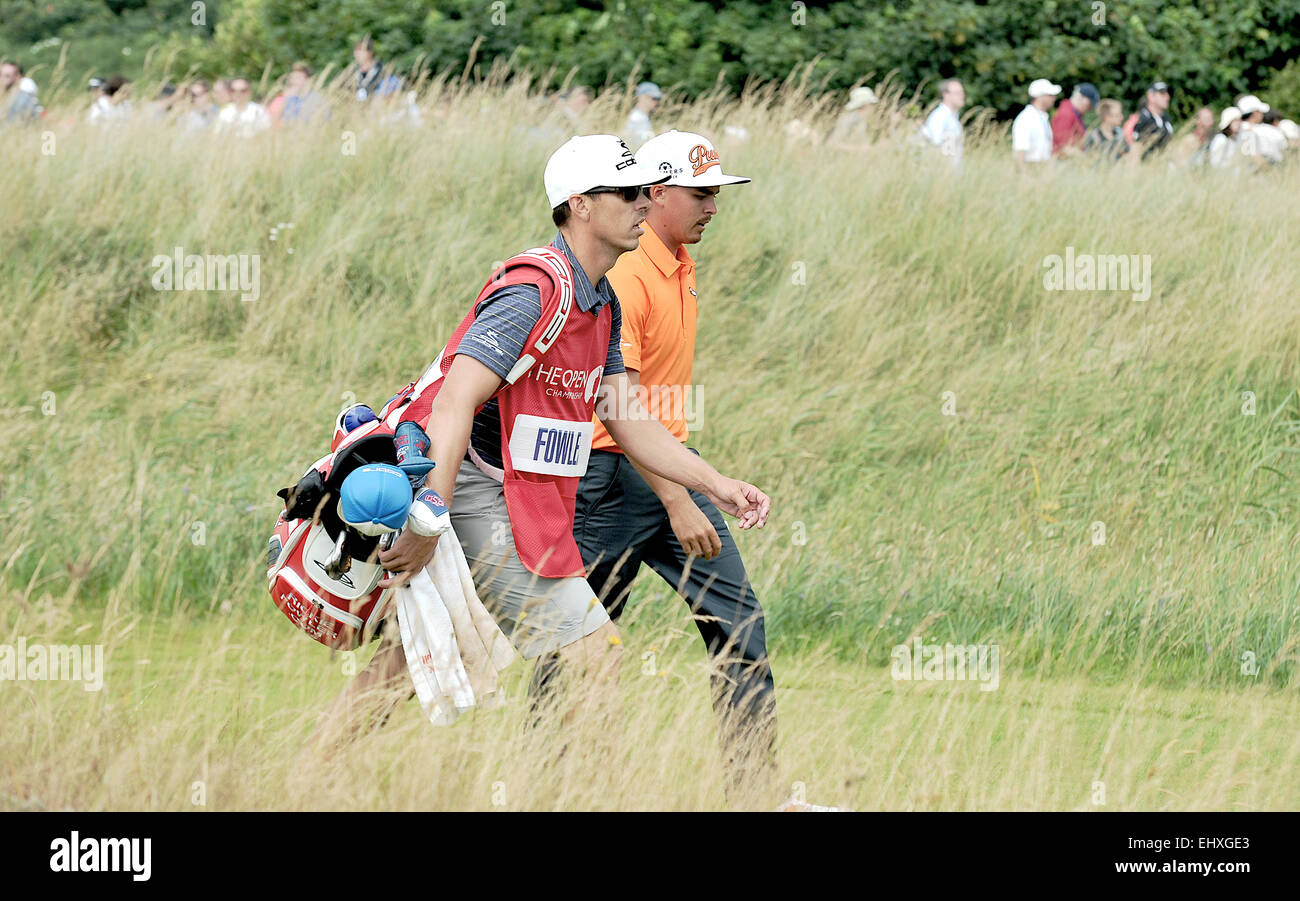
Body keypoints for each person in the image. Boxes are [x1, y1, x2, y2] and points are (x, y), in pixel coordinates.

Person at [318, 135, 771, 753]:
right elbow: (454, 401)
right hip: (468, 489)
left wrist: (715, 484)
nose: (644, 203)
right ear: (580, 205)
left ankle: (304, 775)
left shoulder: (601, 300)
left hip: (514, 498)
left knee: (424, 651)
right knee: (594, 655)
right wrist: (429, 519)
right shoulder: (536, 291)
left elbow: (627, 419)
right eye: (630, 191)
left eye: (647, 191)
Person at [523, 129, 778, 802]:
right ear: (655, 192)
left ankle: (751, 790)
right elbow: (620, 409)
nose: (713, 207)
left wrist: (695, 482)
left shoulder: (679, 263)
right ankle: (544, 783)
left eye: (717, 193)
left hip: (668, 468)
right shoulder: (630, 275)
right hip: (609, 484)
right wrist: (679, 498)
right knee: (574, 645)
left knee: (739, 624)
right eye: (700, 194)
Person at [1012, 78, 1059, 166]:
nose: (1054, 98)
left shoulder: (1042, 118)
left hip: (1041, 168)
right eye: (1050, 95)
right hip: (1031, 168)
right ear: (1039, 97)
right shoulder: (1026, 118)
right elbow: (1020, 150)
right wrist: (1024, 175)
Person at [918, 78, 965, 168]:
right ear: (945, 95)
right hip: (943, 172)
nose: (962, 96)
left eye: (962, 92)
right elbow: (936, 145)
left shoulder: (953, 117)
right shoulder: (939, 116)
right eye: (957, 93)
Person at [1050, 83, 1099, 156]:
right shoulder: (1066, 114)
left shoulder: (1074, 114)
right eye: (1089, 104)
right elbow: (1063, 147)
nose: (1090, 108)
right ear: (1081, 97)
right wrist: (1086, 159)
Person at [828, 86, 878, 151]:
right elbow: (832, 144)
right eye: (872, 104)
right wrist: (859, 149)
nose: (873, 107)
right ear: (865, 104)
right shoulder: (849, 120)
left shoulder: (861, 121)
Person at [1132, 81, 1174, 159]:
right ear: (1150, 96)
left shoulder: (1166, 118)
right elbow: (1136, 149)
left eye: (1167, 93)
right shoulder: (1143, 119)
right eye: (1162, 93)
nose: (1167, 97)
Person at [353, 36, 401, 101]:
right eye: (356, 50)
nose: (357, 53)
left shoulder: (382, 70)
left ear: (370, 52)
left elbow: (397, 89)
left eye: (361, 50)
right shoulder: (352, 73)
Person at [1082, 98, 1128, 163]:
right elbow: (1087, 162)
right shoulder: (1093, 137)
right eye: (1117, 115)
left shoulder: (1120, 136)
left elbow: (1126, 157)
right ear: (1107, 117)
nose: (1122, 117)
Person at [1, 60, 41, 125]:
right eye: (0, 75)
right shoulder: (12, 97)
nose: (2, 79)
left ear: (18, 77)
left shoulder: (20, 99)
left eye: (7, 76)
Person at [625, 81, 661, 145]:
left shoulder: (643, 116)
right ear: (642, 97)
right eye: (654, 98)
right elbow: (639, 143)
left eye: (658, 99)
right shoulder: (636, 117)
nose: (656, 102)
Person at [1208, 106, 1242, 171]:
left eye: (1240, 120)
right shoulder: (1221, 139)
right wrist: (1233, 163)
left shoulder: (1233, 140)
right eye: (1235, 120)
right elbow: (1215, 164)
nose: (1239, 123)